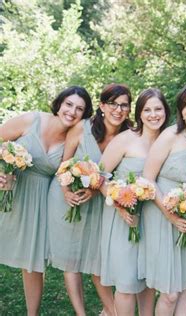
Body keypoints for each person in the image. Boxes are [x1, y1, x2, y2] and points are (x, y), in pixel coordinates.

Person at [0, 86, 93, 316]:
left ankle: (33, 314)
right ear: (59, 103)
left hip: (42, 200)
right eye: (69, 104)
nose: (72, 112)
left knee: (31, 259)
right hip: (12, 189)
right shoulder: (31, 120)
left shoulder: (73, 138)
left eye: (79, 109)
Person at [47, 83, 132, 316]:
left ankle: (111, 311)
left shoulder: (128, 136)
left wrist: (96, 190)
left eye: (124, 105)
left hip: (99, 204)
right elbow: (64, 164)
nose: (118, 109)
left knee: (98, 261)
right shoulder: (82, 128)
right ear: (102, 106)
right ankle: (81, 313)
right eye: (113, 104)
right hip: (67, 197)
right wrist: (66, 192)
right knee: (70, 260)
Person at [139, 84, 186, 316]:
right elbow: (147, 180)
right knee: (170, 292)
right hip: (162, 213)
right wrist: (170, 215)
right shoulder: (170, 135)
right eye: (185, 105)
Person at [99, 88, 170, 316]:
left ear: (166, 112)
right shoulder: (125, 140)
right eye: (147, 109)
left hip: (152, 218)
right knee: (127, 283)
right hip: (124, 219)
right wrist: (118, 202)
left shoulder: (169, 140)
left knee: (147, 280)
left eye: (158, 109)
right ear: (139, 113)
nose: (153, 115)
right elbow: (99, 176)